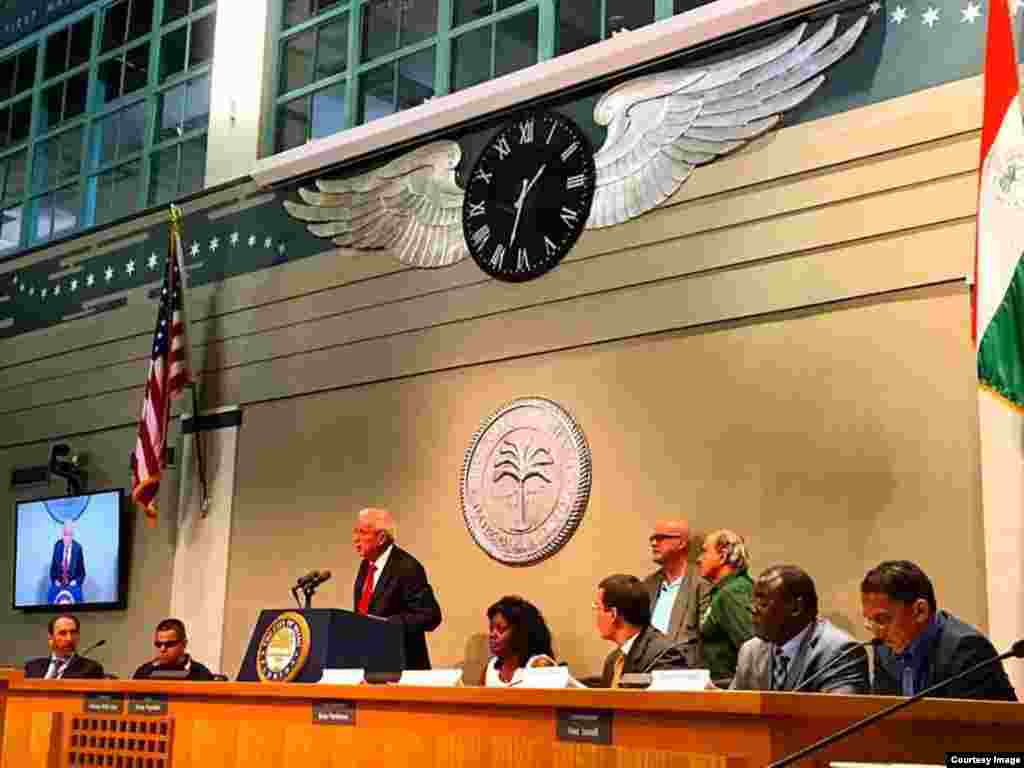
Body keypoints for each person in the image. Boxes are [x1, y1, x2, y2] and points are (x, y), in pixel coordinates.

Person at [861, 560, 1016, 701]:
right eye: (869, 619)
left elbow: (978, 727)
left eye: (882, 620)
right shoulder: (884, 648)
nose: (875, 631)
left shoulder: (966, 650)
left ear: (920, 611)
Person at [730, 565, 868, 693]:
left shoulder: (839, 652)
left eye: (763, 603)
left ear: (796, 608)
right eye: (753, 601)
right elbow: (733, 709)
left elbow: (839, 714)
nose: (753, 609)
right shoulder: (750, 651)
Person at [352, 507, 442, 670]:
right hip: (369, 663)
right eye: (355, 532)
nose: (355, 539)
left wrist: (389, 624)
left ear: (381, 538)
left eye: (362, 533)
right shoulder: (366, 565)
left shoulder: (407, 567)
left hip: (402, 667)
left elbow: (430, 616)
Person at [596, 573, 687, 687]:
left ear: (613, 614)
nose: (596, 615)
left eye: (598, 608)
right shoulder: (612, 661)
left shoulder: (664, 656)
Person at [696, 529, 753, 683]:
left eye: (704, 552)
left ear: (722, 556)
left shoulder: (733, 592)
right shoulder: (724, 591)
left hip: (729, 692)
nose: (699, 559)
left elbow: (751, 650)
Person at [645, 519, 704, 668]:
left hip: (686, 671)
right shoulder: (648, 584)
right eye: (653, 539)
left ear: (682, 543)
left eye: (661, 538)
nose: (653, 543)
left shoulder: (702, 582)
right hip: (648, 669)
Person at [484, 595, 556, 686]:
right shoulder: (491, 668)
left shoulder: (540, 666)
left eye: (501, 629)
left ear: (521, 632)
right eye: (491, 629)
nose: (492, 635)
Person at [24, 614, 104, 679]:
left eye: (73, 633)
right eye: (62, 633)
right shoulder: (33, 667)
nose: (69, 639)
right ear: (51, 638)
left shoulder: (90, 669)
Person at [132, 618, 215, 680]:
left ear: (184, 644)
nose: (162, 649)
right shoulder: (143, 673)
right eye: (158, 644)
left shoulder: (200, 674)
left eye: (169, 644)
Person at [48, 522, 85, 604]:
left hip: (72, 583)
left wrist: (75, 582)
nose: (67, 538)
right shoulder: (57, 546)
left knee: (77, 594)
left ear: (72, 536)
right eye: (65, 535)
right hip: (59, 583)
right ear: (62, 535)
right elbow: (52, 571)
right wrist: (55, 581)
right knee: (51, 593)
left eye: (69, 535)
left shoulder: (78, 548)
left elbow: (82, 574)